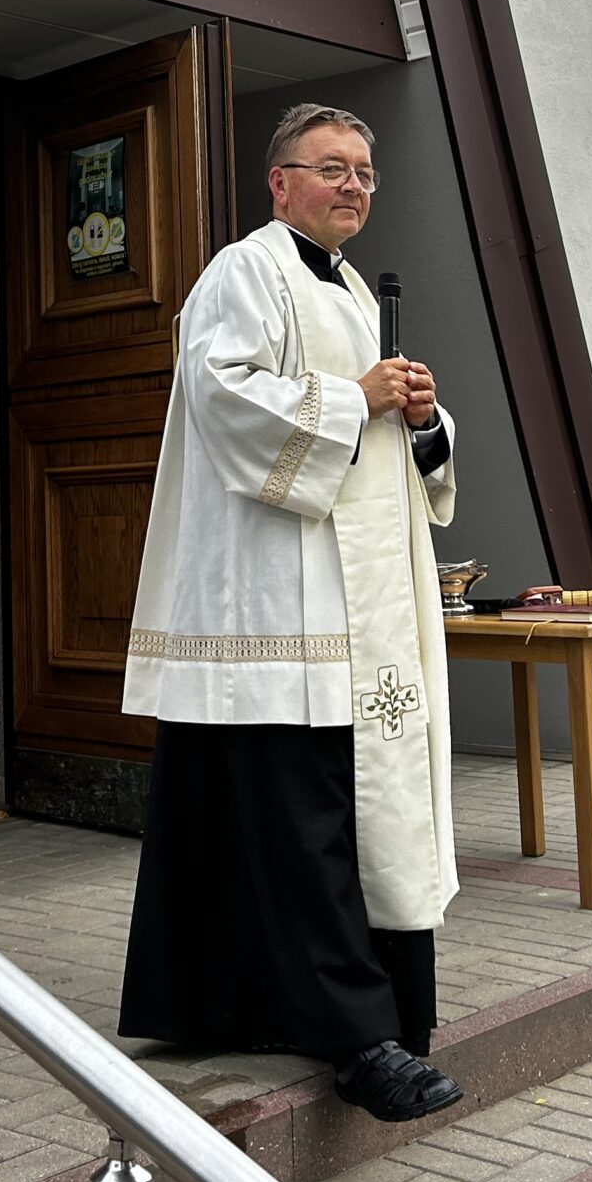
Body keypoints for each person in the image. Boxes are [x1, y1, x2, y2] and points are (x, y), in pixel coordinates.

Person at [117, 104, 463, 1122]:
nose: (354, 186)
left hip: (362, 608)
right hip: (280, 603)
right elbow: (223, 397)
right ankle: (357, 1042)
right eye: (332, 169)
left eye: (365, 173)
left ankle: (302, 1006)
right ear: (280, 183)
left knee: (326, 820)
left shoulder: (351, 288)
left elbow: (390, 444)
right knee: (305, 826)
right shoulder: (244, 271)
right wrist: (357, 398)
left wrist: (424, 418)